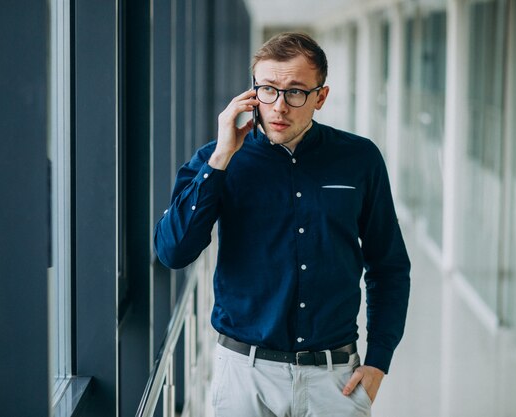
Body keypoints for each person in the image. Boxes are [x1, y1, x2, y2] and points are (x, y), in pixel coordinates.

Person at [154, 32, 410, 417]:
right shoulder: (217, 160)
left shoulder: (360, 159)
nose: (278, 106)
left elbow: (388, 266)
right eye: (267, 90)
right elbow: (173, 251)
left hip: (334, 380)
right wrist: (222, 157)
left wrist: (378, 361)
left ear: (320, 97)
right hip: (244, 377)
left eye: (295, 92)